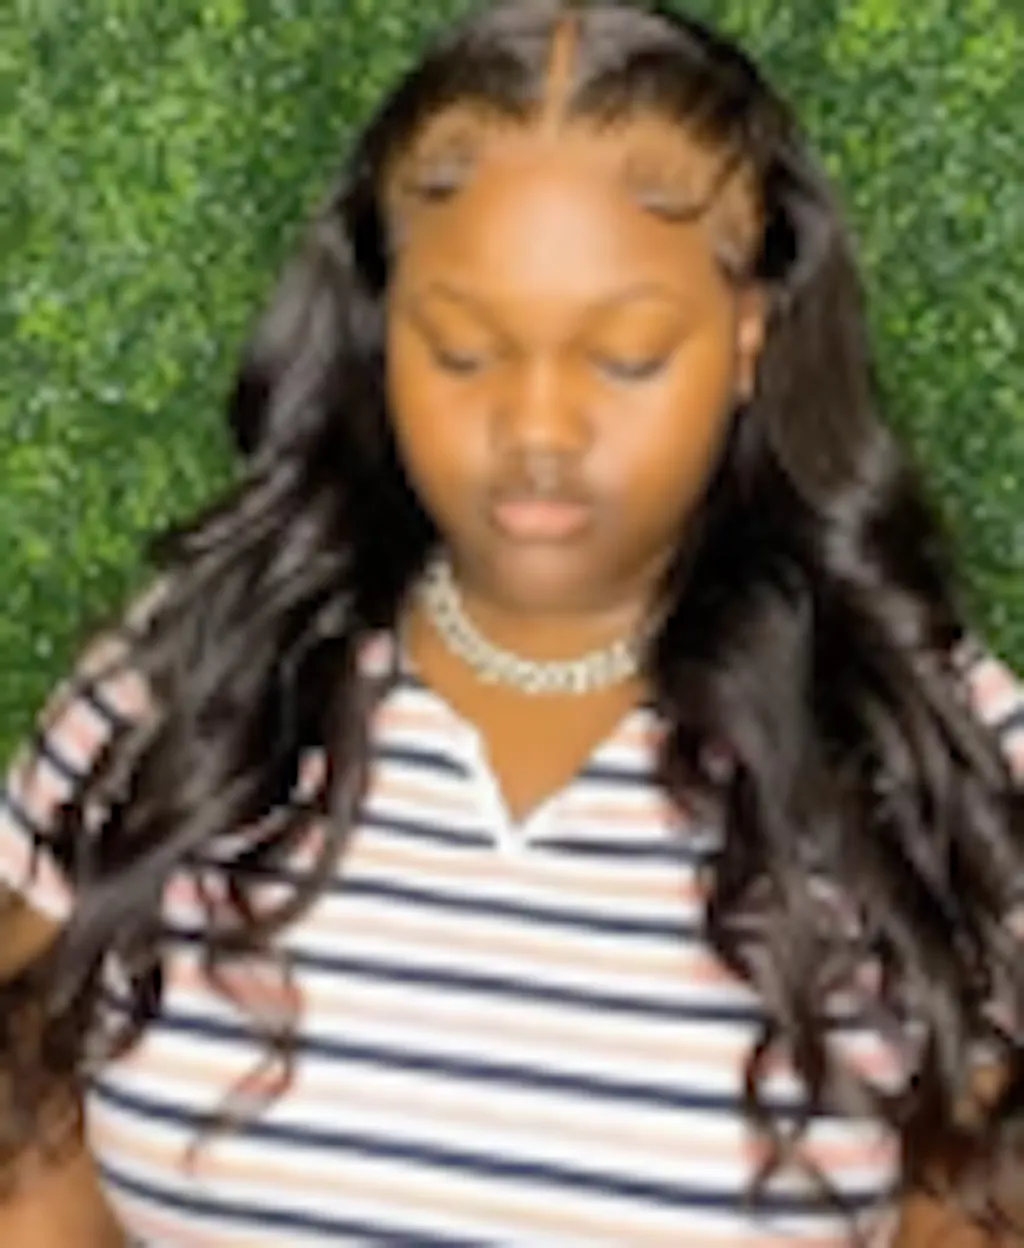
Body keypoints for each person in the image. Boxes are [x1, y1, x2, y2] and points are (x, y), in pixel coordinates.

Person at [1, 1, 1022, 1243]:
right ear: (381, 329)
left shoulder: (926, 737)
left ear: (749, 337)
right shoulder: (189, 678)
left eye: (626, 356)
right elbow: (31, 1119)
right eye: (463, 351)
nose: (539, 430)